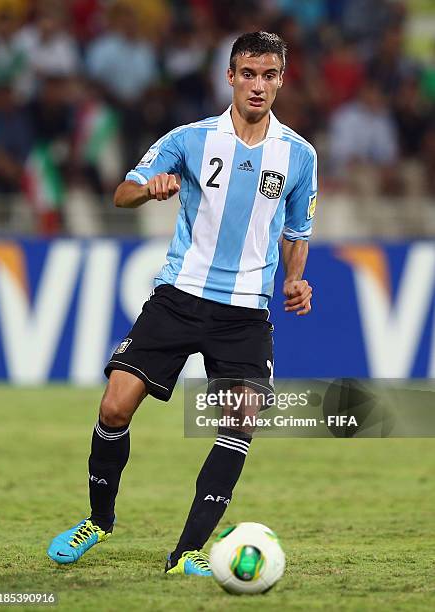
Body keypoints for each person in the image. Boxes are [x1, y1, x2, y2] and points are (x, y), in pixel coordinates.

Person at [47, 31, 317, 576]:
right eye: (248, 73)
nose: (258, 85)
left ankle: (187, 552)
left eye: (269, 75)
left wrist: (295, 279)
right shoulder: (190, 139)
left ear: (281, 79)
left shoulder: (299, 155)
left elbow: (297, 230)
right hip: (180, 296)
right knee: (114, 407)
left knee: (240, 422)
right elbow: (122, 191)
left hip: (244, 311)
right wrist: (153, 187)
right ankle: (99, 520)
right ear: (230, 76)